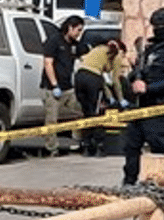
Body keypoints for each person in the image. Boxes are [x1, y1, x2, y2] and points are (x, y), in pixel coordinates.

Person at [122, 7, 164, 185]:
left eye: (161, 25)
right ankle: (129, 182)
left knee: (158, 145)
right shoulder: (150, 50)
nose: (157, 29)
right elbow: (140, 73)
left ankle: (158, 184)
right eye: (155, 25)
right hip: (140, 105)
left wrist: (148, 88)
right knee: (131, 145)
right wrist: (135, 74)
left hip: (162, 106)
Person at [40, 15, 87, 155]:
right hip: (52, 88)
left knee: (79, 112)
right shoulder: (54, 41)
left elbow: (84, 52)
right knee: (51, 120)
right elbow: (48, 63)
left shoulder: (73, 44)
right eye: (78, 30)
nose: (79, 33)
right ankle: (51, 148)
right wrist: (54, 85)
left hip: (68, 88)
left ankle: (78, 141)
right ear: (70, 27)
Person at [74, 39, 128, 157]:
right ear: (121, 50)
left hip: (79, 78)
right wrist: (121, 99)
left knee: (86, 114)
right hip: (92, 81)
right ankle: (99, 146)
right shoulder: (117, 55)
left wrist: (109, 96)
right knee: (96, 114)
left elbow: (101, 80)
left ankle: (87, 147)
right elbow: (115, 81)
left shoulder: (98, 49)